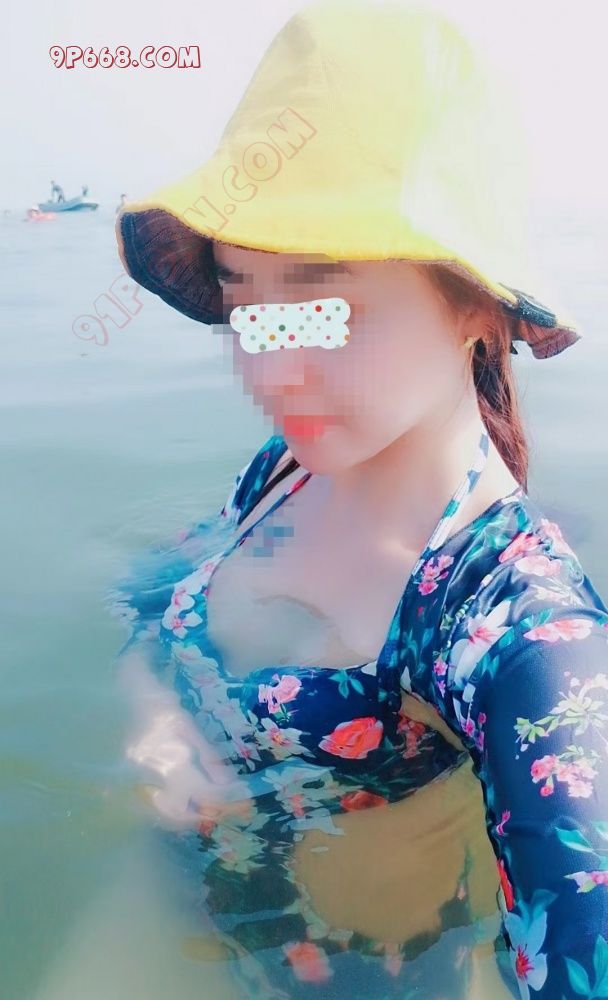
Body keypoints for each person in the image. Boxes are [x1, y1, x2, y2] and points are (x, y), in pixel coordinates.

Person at [111, 2, 608, 998]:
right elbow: (152, 590)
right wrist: (153, 715)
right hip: (183, 920)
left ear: (474, 302)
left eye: (321, 305)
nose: (268, 368)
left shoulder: (511, 633)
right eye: (246, 301)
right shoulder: (286, 470)